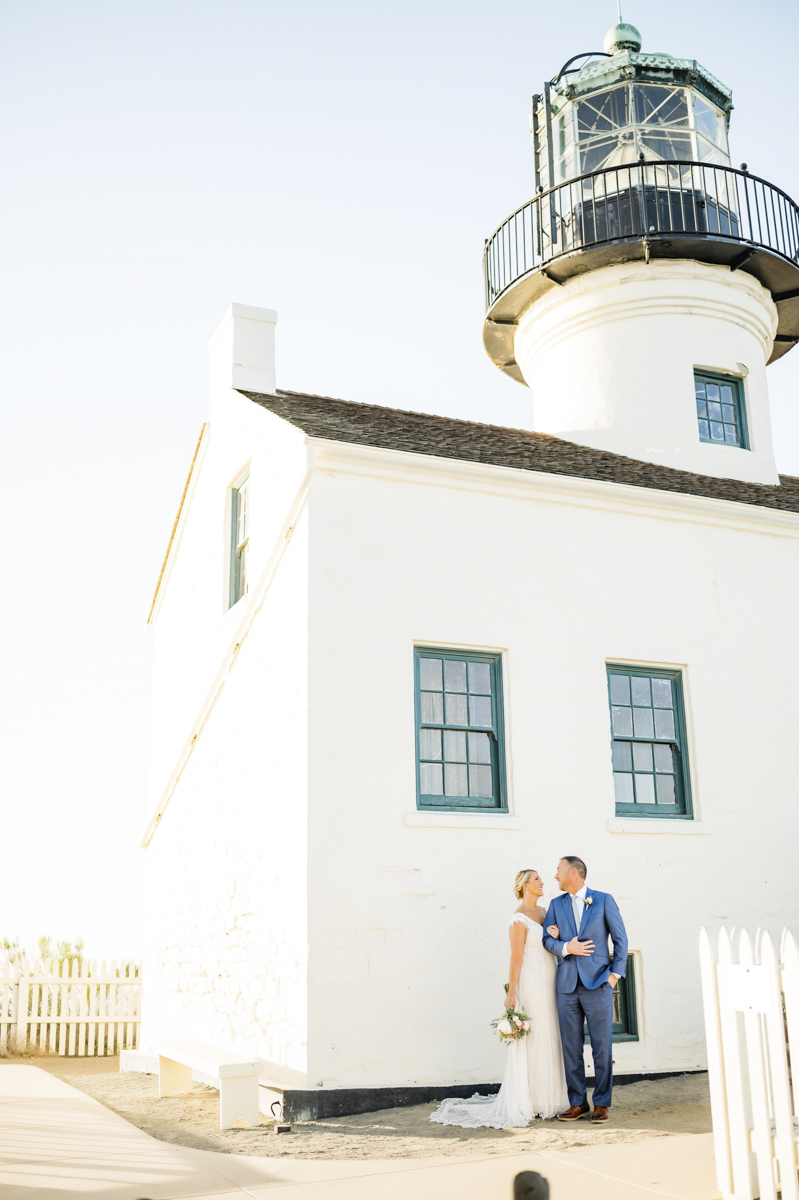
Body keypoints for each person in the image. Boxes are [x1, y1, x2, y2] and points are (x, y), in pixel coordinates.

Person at [429, 869, 568, 1128]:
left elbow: (554, 942)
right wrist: (511, 993)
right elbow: (516, 958)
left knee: (551, 1033)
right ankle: (534, 1101)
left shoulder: (546, 911)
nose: (542, 882)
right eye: (537, 879)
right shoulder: (518, 920)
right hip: (531, 979)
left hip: (551, 977)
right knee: (537, 1035)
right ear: (525, 885)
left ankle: (552, 1098)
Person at [541, 856, 628, 1125]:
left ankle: (602, 1103)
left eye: (558, 871)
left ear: (573, 872)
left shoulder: (603, 900)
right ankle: (578, 1102)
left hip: (598, 983)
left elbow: (620, 939)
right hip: (567, 986)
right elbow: (546, 939)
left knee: (602, 1048)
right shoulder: (556, 905)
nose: (555, 876)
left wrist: (614, 976)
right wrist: (567, 947)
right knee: (570, 1047)